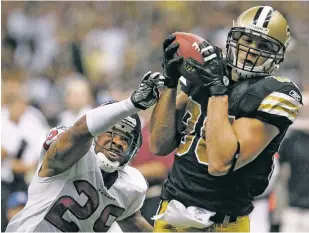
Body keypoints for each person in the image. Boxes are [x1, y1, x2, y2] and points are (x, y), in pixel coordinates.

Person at [150, 6, 303, 232]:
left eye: (263, 45)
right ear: (232, 38)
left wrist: (217, 91)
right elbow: (158, 145)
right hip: (171, 214)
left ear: (278, 54)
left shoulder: (277, 93)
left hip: (223, 223)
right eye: (247, 40)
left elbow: (220, 163)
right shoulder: (204, 70)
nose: (251, 49)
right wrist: (170, 83)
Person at [5, 71, 163, 232]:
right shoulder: (73, 154)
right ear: (96, 133)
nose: (117, 142)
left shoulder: (130, 185)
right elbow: (79, 132)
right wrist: (131, 105)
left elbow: (133, 222)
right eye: (110, 133)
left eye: (125, 139)